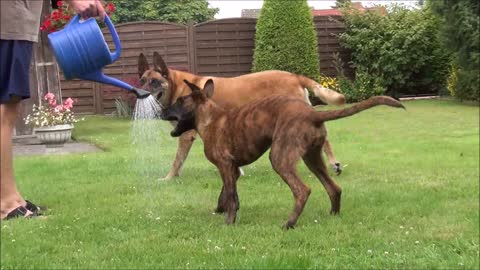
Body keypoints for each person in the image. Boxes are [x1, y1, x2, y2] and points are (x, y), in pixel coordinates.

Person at [0, 0, 105, 220]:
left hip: (16, 19)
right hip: (10, 18)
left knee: (10, 108)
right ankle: (5, 202)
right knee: (5, 111)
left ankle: (13, 197)